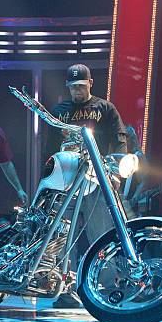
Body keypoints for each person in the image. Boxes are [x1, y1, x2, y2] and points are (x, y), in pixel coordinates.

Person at [44, 64, 127, 308]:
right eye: (73, 87)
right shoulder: (59, 111)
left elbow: (119, 140)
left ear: (90, 83)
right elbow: (49, 148)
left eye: (81, 86)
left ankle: (108, 286)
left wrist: (117, 173)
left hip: (96, 178)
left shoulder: (105, 108)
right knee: (61, 236)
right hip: (65, 181)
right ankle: (64, 288)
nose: (77, 91)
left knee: (100, 233)